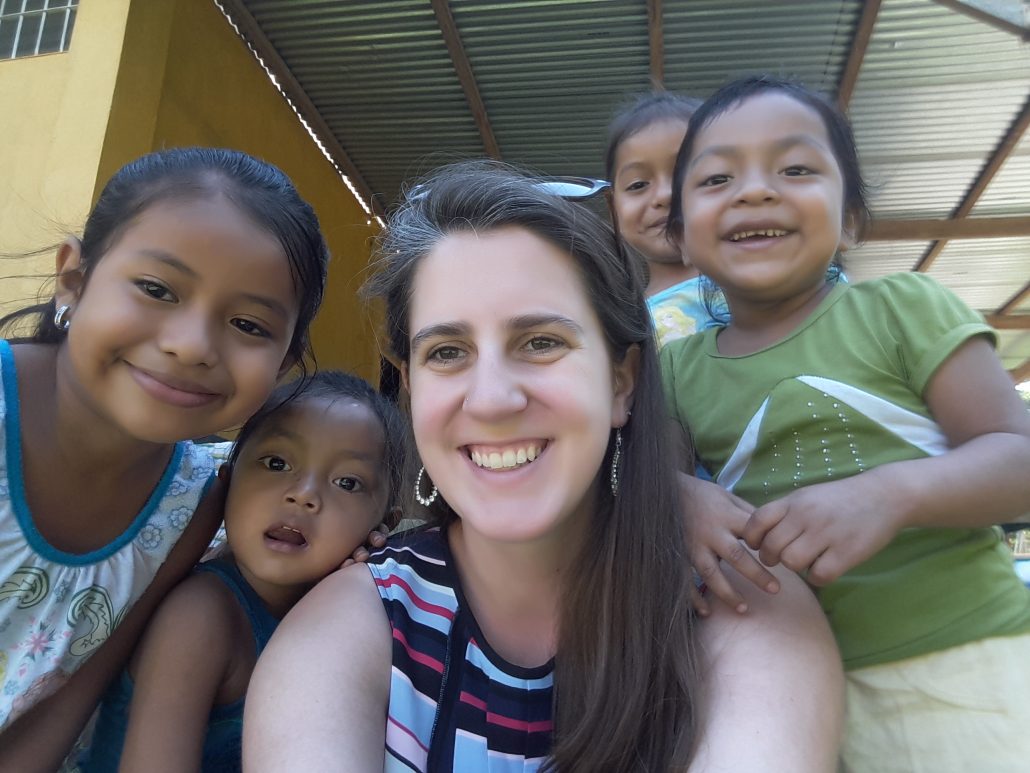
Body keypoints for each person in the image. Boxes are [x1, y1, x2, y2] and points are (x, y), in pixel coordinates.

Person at [244, 161, 845, 772]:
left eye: (540, 342)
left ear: (621, 382)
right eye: (447, 352)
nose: (492, 399)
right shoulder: (349, 626)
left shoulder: (740, 601)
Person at [662, 75, 1030, 772]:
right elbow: (636, 475)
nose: (755, 190)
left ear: (852, 220)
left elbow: (1019, 458)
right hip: (785, 692)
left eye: (796, 168)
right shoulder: (675, 371)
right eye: (716, 178)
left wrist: (891, 494)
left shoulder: (902, 308)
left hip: (966, 666)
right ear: (680, 237)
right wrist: (680, 496)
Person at [0, 147, 331, 769]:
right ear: (74, 278)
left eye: (249, 325)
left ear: (284, 363)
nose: (190, 345)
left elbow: (69, 696)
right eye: (156, 289)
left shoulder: (196, 503)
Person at [78, 370, 405, 771]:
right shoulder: (200, 614)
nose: (303, 494)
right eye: (277, 462)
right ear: (228, 481)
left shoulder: (354, 615)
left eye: (348, 483)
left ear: (382, 525)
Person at [605, 91, 726, 346]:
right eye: (638, 185)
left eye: (684, 174)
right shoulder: (626, 324)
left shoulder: (761, 279)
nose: (665, 195)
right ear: (614, 207)